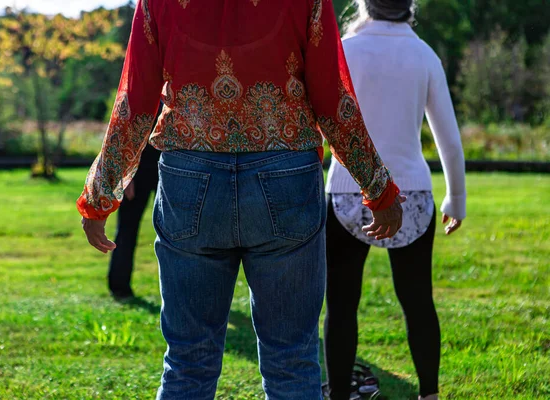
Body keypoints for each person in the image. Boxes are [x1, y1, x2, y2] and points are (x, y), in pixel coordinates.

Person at [77, 0, 405, 398]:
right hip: (285, 175)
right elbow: (332, 98)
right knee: (292, 359)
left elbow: (136, 100)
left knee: (187, 361)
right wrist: (378, 187)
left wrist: (99, 194)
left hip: (191, 177)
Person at [323, 1, 467, 400]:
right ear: (410, 7)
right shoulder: (424, 55)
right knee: (419, 300)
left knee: (341, 304)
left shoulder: (344, 50)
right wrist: (456, 198)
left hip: (347, 191)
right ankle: (430, 393)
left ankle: (337, 394)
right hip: (412, 194)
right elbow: (449, 140)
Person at [108, 103, 163, 302]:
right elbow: (124, 127)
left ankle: (181, 292)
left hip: (170, 168)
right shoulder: (138, 85)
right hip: (137, 169)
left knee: (177, 233)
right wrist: (125, 174)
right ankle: (119, 287)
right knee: (126, 230)